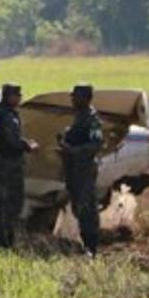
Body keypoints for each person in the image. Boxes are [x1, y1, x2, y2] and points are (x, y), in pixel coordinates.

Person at [58, 83, 103, 257]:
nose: (72, 99)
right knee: (79, 207)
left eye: (75, 97)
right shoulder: (80, 117)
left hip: (84, 170)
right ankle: (87, 245)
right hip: (75, 169)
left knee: (87, 209)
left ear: (86, 98)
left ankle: (91, 247)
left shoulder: (92, 120)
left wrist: (73, 151)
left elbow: (96, 144)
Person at [0, 82, 37, 249]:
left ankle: (6, 238)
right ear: (9, 96)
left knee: (11, 203)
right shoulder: (4, 115)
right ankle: (4, 240)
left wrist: (24, 142)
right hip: (7, 164)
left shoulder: (8, 114)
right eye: (17, 96)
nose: (20, 99)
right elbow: (10, 141)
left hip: (10, 163)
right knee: (9, 203)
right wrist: (26, 146)